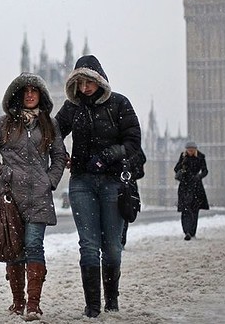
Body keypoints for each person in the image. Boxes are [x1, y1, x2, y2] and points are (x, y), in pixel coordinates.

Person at [55, 55, 142, 318]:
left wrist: (107, 157)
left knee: (113, 247)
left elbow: (133, 142)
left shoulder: (119, 103)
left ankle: (111, 299)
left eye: (89, 82)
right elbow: (52, 133)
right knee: (88, 245)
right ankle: (92, 306)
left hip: (112, 182)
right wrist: (61, 154)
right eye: (79, 83)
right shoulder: (72, 108)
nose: (85, 88)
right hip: (81, 181)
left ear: (99, 79)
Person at [0, 72, 68, 320]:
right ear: (17, 96)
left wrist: (50, 180)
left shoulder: (49, 125)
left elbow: (60, 156)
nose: (30, 94)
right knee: (15, 249)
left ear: (41, 95)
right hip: (12, 197)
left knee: (34, 245)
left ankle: (34, 304)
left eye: (34, 90)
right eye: (25, 91)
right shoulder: (1, 123)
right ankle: (18, 301)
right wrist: (3, 173)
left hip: (39, 197)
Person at [174, 141, 209, 240]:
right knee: (185, 210)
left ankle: (192, 231)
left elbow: (205, 171)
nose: (190, 152)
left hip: (196, 186)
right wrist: (182, 170)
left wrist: (199, 176)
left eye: (192, 150)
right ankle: (187, 232)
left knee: (194, 210)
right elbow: (176, 168)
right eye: (188, 150)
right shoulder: (183, 156)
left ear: (195, 149)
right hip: (184, 186)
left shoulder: (201, 157)